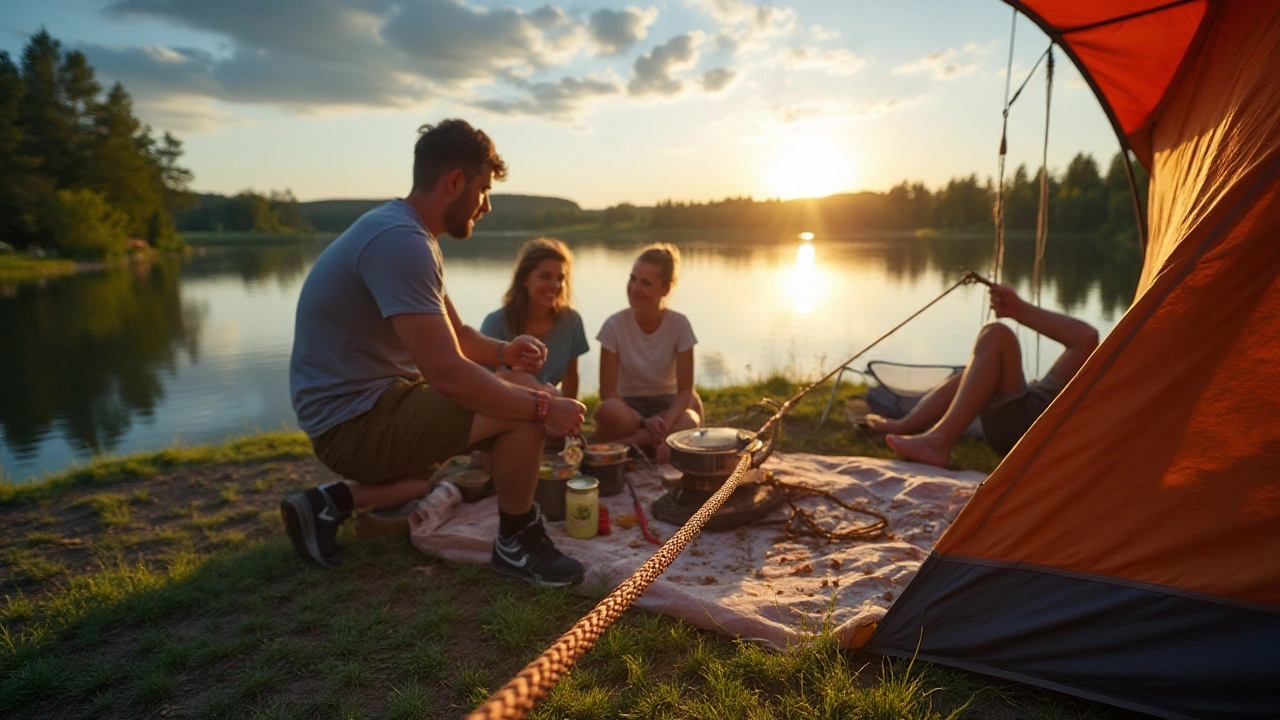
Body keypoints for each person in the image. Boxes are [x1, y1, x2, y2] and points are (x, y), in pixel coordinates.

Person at [282, 119, 587, 587]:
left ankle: (326, 503)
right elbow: (447, 374)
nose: (486, 205)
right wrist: (545, 407)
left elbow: (460, 336)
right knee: (524, 406)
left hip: (369, 408)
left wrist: (507, 352)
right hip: (354, 425)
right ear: (454, 182)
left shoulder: (403, 231)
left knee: (437, 471)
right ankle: (517, 543)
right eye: (484, 190)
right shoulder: (401, 243)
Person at [867, 283, 1098, 467]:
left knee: (996, 334)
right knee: (968, 377)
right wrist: (1016, 309)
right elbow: (1086, 337)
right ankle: (905, 426)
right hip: (1029, 412)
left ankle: (939, 442)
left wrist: (1018, 309)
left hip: (1025, 427)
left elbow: (1086, 337)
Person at [592, 244, 702, 463]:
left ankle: (626, 444)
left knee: (690, 419)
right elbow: (607, 391)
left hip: (667, 406)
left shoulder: (680, 325)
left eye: (646, 283)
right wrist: (645, 422)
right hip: (629, 410)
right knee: (607, 411)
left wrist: (664, 426)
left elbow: (684, 391)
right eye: (633, 279)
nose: (635, 288)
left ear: (665, 289)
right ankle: (664, 441)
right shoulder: (613, 326)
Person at [480, 238, 589, 399]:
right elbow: (486, 384)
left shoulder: (571, 321)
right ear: (524, 279)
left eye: (560, 278)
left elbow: (571, 375)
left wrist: (570, 412)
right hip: (504, 410)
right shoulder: (495, 323)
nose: (555, 285)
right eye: (545, 276)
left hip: (551, 413)